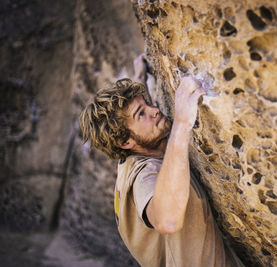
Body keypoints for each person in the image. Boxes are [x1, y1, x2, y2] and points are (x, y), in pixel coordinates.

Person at [79, 55, 244, 266]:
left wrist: (140, 74)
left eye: (147, 104)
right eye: (141, 114)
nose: (154, 110)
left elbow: (136, 115)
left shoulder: (135, 151)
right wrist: (182, 122)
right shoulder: (143, 177)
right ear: (124, 141)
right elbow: (167, 220)